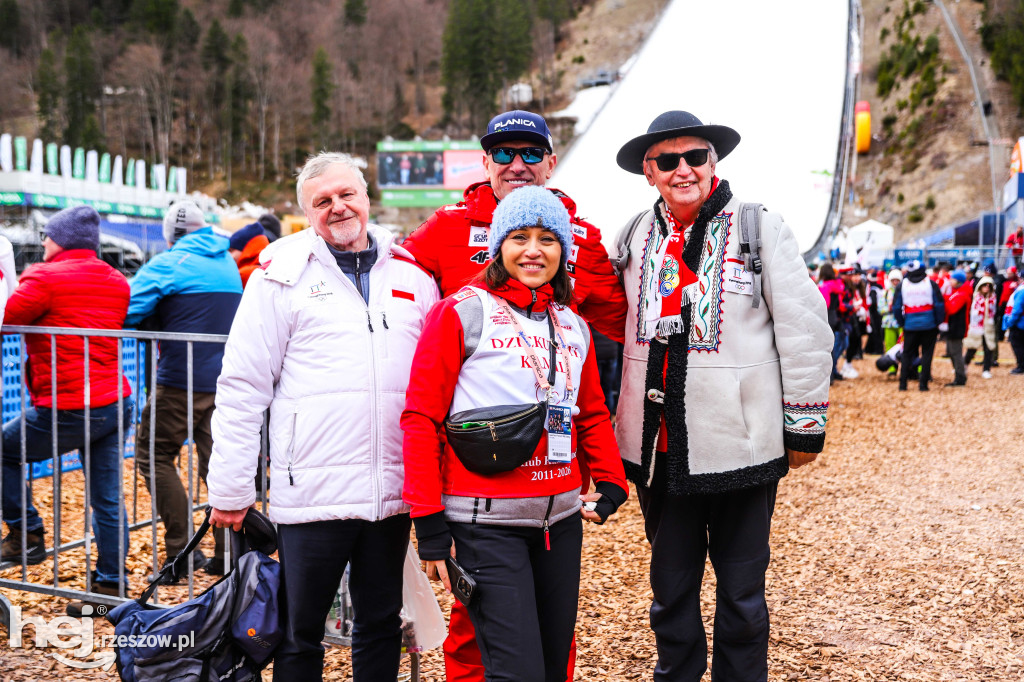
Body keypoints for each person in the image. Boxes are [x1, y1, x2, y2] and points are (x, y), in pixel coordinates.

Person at [401, 108, 626, 682]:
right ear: (497, 246)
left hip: (559, 514)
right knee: (508, 663)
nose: (533, 250)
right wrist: (428, 520)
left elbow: (591, 407)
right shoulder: (459, 302)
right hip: (482, 512)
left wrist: (612, 479)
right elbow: (420, 414)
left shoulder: (570, 320)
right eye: (519, 238)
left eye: (548, 240)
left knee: (552, 662)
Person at [613, 110, 832, 681]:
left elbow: (805, 329)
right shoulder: (633, 234)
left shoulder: (759, 227)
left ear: (714, 163)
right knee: (670, 594)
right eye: (668, 160)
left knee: (742, 595)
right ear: (648, 172)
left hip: (742, 446)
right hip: (660, 453)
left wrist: (804, 423)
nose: (683, 169)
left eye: (695, 156)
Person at [208, 152, 438, 681]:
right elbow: (243, 386)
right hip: (312, 491)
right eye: (322, 201)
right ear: (308, 214)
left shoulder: (411, 276)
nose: (338, 207)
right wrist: (231, 488)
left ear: (366, 196)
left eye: (346, 194)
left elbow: (435, 386)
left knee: (381, 623)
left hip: (390, 491)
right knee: (298, 631)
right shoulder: (279, 277)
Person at [0, 206, 133, 608]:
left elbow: (8, 317)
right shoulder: (115, 279)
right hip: (114, 400)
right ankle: (111, 586)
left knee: (4, 450)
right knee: (107, 498)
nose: (42, 242)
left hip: (71, 402)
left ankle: (26, 534)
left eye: (47, 235)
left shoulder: (44, 277)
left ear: (61, 240)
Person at [126, 199, 243, 579]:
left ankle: (182, 553)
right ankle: (229, 557)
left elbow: (126, 310)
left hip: (179, 381)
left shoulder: (169, 263)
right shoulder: (226, 261)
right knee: (218, 466)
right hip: (224, 381)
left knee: (154, 456)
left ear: (171, 235)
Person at [893, 260, 945, 391]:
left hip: (910, 325)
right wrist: (938, 322)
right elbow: (939, 305)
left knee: (906, 354)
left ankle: (903, 384)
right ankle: (923, 385)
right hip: (929, 325)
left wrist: (903, 323)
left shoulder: (902, 285)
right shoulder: (931, 284)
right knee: (927, 355)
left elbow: (896, 307)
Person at [818, 263, 848, 383]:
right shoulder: (837, 285)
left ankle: (829, 377)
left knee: (826, 348)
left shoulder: (825, 286)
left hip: (827, 317)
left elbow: (825, 304)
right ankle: (833, 373)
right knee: (834, 346)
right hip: (836, 317)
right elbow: (839, 304)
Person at [963, 275, 998, 379]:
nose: (986, 288)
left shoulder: (993, 298)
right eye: (984, 285)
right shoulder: (975, 297)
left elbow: (995, 312)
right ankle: (964, 365)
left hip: (988, 327)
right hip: (976, 326)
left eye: (989, 286)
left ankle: (986, 369)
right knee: (972, 348)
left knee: (988, 349)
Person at [942, 270, 971, 387]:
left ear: (958, 281)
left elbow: (952, 309)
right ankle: (959, 376)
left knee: (956, 353)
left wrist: (943, 302)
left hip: (957, 328)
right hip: (954, 328)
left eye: (952, 279)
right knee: (952, 351)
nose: (950, 281)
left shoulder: (962, 295)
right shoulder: (957, 293)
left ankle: (960, 378)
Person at [227, 221, 271, 287]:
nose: (228, 255)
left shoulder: (243, 275)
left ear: (246, 249)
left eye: (231, 250)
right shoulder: (270, 267)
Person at [879, 268, 903, 354]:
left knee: (903, 345)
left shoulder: (904, 291)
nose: (895, 282)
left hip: (901, 322)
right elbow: (880, 309)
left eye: (897, 280)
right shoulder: (885, 292)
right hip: (888, 323)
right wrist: (888, 308)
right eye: (893, 280)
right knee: (889, 345)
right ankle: (891, 362)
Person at [1002, 278, 1024, 374]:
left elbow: (1017, 309)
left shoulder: (1021, 291)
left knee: (1018, 345)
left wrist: (1010, 322)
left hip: (1019, 324)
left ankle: (1021, 366)